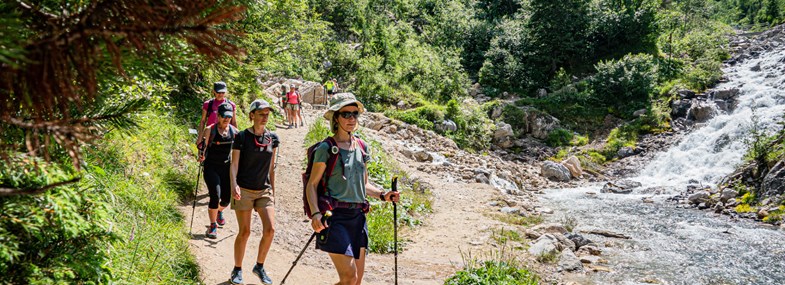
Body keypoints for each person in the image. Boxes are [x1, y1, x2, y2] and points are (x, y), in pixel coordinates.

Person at [305, 93, 400, 285]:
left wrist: (383, 195)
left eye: (355, 114)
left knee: (356, 281)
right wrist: (315, 213)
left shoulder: (362, 147)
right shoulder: (326, 148)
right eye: (346, 114)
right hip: (335, 217)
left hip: (358, 217)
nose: (351, 119)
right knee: (349, 277)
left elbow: (363, 184)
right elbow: (312, 184)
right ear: (335, 117)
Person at [228, 99, 280, 285]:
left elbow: (272, 168)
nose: (265, 117)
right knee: (245, 232)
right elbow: (234, 164)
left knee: (270, 229)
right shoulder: (241, 137)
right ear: (252, 115)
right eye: (261, 114)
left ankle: (259, 266)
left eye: (267, 114)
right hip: (244, 189)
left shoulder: (273, 138)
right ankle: (237, 269)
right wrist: (234, 184)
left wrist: (273, 190)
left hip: (264, 190)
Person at [198, 103, 239, 239]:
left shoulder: (234, 132)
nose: (227, 119)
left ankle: (219, 211)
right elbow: (203, 146)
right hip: (211, 167)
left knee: (226, 199)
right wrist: (201, 155)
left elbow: (239, 152)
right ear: (218, 116)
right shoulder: (210, 130)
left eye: (229, 117)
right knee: (215, 195)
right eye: (224, 117)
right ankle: (212, 225)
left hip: (226, 168)